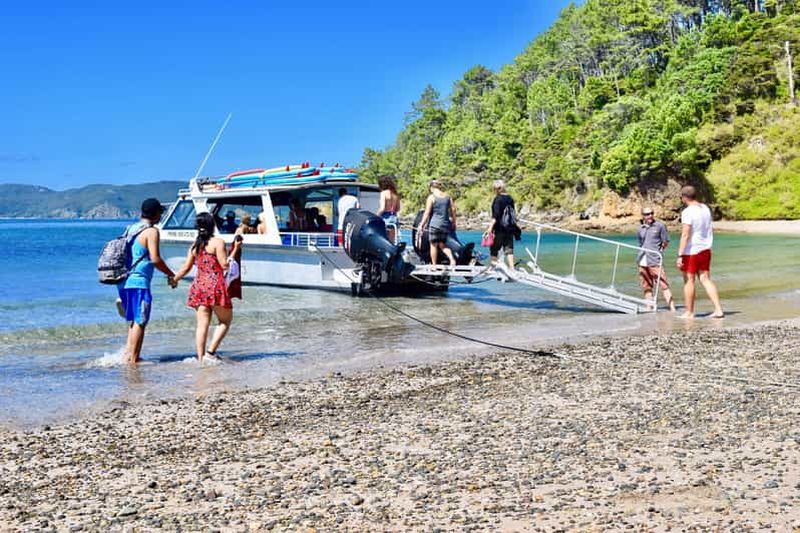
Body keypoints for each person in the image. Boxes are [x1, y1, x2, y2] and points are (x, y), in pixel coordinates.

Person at [117, 198, 176, 364]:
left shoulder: (131, 228)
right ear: (156, 214)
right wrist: (171, 274)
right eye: (160, 212)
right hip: (138, 281)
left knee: (133, 319)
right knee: (140, 320)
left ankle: (128, 355)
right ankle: (134, 359)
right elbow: (155, 259)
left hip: (123, 281)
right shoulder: (152, 231)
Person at [172, 212, 234, 362]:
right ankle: (210, 353)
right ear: (212, 225)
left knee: (202, 325)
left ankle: (200, 358)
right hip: (215, 286)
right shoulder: (218, 242)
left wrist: (175, 279)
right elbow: (224, 265)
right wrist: (234, 253)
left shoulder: (195, 246)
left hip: (199, 286)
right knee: (225, 321)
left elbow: (186, 268)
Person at [676, 185, 724, 319]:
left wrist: (680, 254)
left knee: (689, 280)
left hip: (691, 250)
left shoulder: (687, 212)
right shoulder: (705, 208)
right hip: (705, 248)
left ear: (684, 197)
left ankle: (689, 312)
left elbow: (685, 234)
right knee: (705, 279)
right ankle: (718, 309)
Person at [637, 207, 676, 312]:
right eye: (647, 214)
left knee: (663, 284)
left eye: (651, 213)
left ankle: (672, 308)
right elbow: (641, 243)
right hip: (642, 260)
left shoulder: (660, 226)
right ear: (643, 216)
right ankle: (648, 307)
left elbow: (665, 241)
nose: (650, 215)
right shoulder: (641, 228)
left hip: (655, 259)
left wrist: (660, 251)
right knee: (646, 285)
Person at [418, 180, 457, 266]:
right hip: (445, 224)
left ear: (432, 188)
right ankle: (452, 259)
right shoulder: (447, 196)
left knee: (433, 245)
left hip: (435, 224)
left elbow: (427, 213)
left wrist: (421, 225)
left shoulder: (431, 197)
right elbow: (453, 209)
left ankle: (434, 265)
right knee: (442, 244)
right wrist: (454, 222)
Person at [484, 180, 520, 269]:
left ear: (498, 188)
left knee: (494, 248)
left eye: (494, 188)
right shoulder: (510, 198)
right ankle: (512, 268)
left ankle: (493, 266)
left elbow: (495, 216)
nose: (494, 190)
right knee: (509, 249)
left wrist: (489, 228)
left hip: (499, 228)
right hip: (510, 228)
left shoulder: (498, 199)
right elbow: (513, 213)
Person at [376, 175, 401, 243]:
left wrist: (375, 216)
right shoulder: (395, 194)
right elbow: (398, 208)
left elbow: (382, 208)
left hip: (385, 218)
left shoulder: (383, 193)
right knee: (391, 242)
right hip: (394, 218)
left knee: (383, 241)